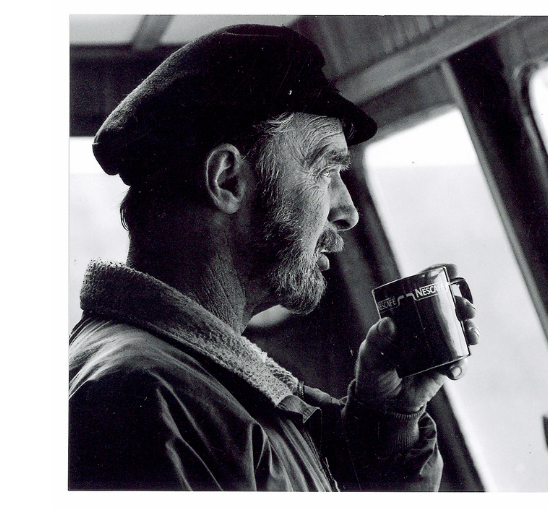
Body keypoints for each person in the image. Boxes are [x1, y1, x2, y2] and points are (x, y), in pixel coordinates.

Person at [68, 24, 478, 491]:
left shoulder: (191, 385)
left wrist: (387, 418)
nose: (347, 212)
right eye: (326, 171)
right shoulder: (140, 403)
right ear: (228, 180)